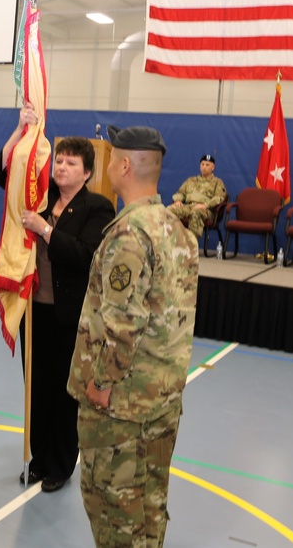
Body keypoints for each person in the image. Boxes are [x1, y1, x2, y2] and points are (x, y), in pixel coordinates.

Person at [67, 125, 199, 548]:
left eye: (111, 157)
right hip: (161, 399)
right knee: (150, 507)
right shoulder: (177, 230)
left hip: (122, 408)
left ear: (124, 165)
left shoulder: (129, 234)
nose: (107, 164)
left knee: (114, 511)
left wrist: (102, 383)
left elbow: (123, 324)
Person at [0, 102, 115, 493]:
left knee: (64, 393)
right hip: (34, 309)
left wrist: (45, 229)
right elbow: (4, 173)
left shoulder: (98, 207)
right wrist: (19, 131)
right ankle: (39, 457)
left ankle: (61, 463)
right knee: (37, 388)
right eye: (59, 161)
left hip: (70, 315)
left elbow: (83, 255)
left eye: (70, 164)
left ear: (88, 172)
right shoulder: (39, 196)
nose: (61, 168)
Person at [167, 154, 227, 239]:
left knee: (196, 212)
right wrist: (178, 200)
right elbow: (181, 192)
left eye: (207, 165)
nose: (204, 167)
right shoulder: (191, 180)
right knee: (169, 210)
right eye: (202, 164)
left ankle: (192, 244)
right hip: (189, 206)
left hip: (205, 210)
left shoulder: (217, 182)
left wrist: (206, 205)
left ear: (213, 167)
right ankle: (168, 242)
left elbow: (219, 198)